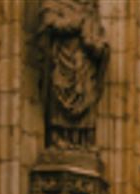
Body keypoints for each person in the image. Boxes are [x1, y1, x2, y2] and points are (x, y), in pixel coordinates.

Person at [37, 0, 108, 151]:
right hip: (62, 59)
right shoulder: (54, 3)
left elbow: (96, 32)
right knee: (60, 92)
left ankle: (83, 141)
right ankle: (58, 138)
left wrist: (100, 47)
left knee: (86, 94)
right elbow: (49, 22)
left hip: (84, 62)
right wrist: (75, 24)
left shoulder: (89, 6)